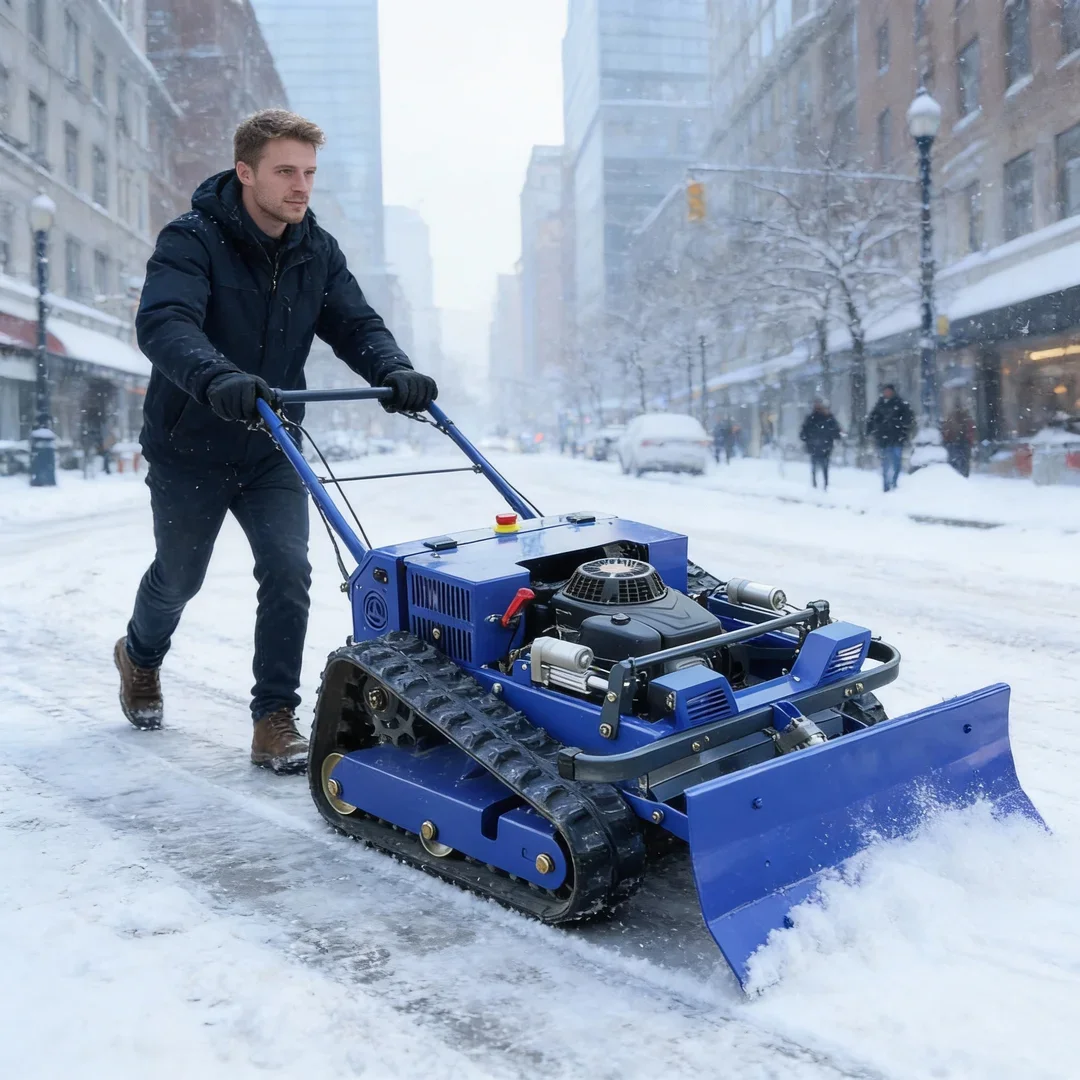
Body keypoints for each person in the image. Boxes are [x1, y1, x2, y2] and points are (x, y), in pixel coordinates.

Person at [113, 109, 438, 774]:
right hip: (190, 444)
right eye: (286, 171)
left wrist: (394, 369)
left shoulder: (316, 249)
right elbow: (165, 322)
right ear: (245, 171)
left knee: (289, 572)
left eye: (309, 173)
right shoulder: (191, 239)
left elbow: (355, 324)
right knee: (180, 577)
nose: (301, 186)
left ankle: (274, 719)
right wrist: (216, 377)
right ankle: (139, 656)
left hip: (270, 443)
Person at [865, 384, 914, 492]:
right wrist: (871, 431)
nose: (887, 393)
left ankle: (894, 482)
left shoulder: (900, 404)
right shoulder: (880, 405)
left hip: (897, 438)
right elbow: (872, 419)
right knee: (885, 463)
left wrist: (902, 428)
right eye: (885, 391)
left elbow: (908, 418)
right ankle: (886, 485)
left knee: (896, 462)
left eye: (888, 391)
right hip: (883, 439)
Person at [799, 398, 842, 490]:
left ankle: (822, 484)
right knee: (820, 466)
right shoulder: (818, 418)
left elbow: (804, 433)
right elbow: (804, 432)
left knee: (821, 466)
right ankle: (819, 484)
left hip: (821, 446)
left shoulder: (822, 418)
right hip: (819, 446)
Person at [941, 404, 975, 477]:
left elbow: (946, 431)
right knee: (963, 463)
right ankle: (962, 476)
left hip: (955, 443)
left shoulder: (951, 419)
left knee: (954, 463)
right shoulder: (967, 420)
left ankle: (957, 476)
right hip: (962, 443)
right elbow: (971, 432)